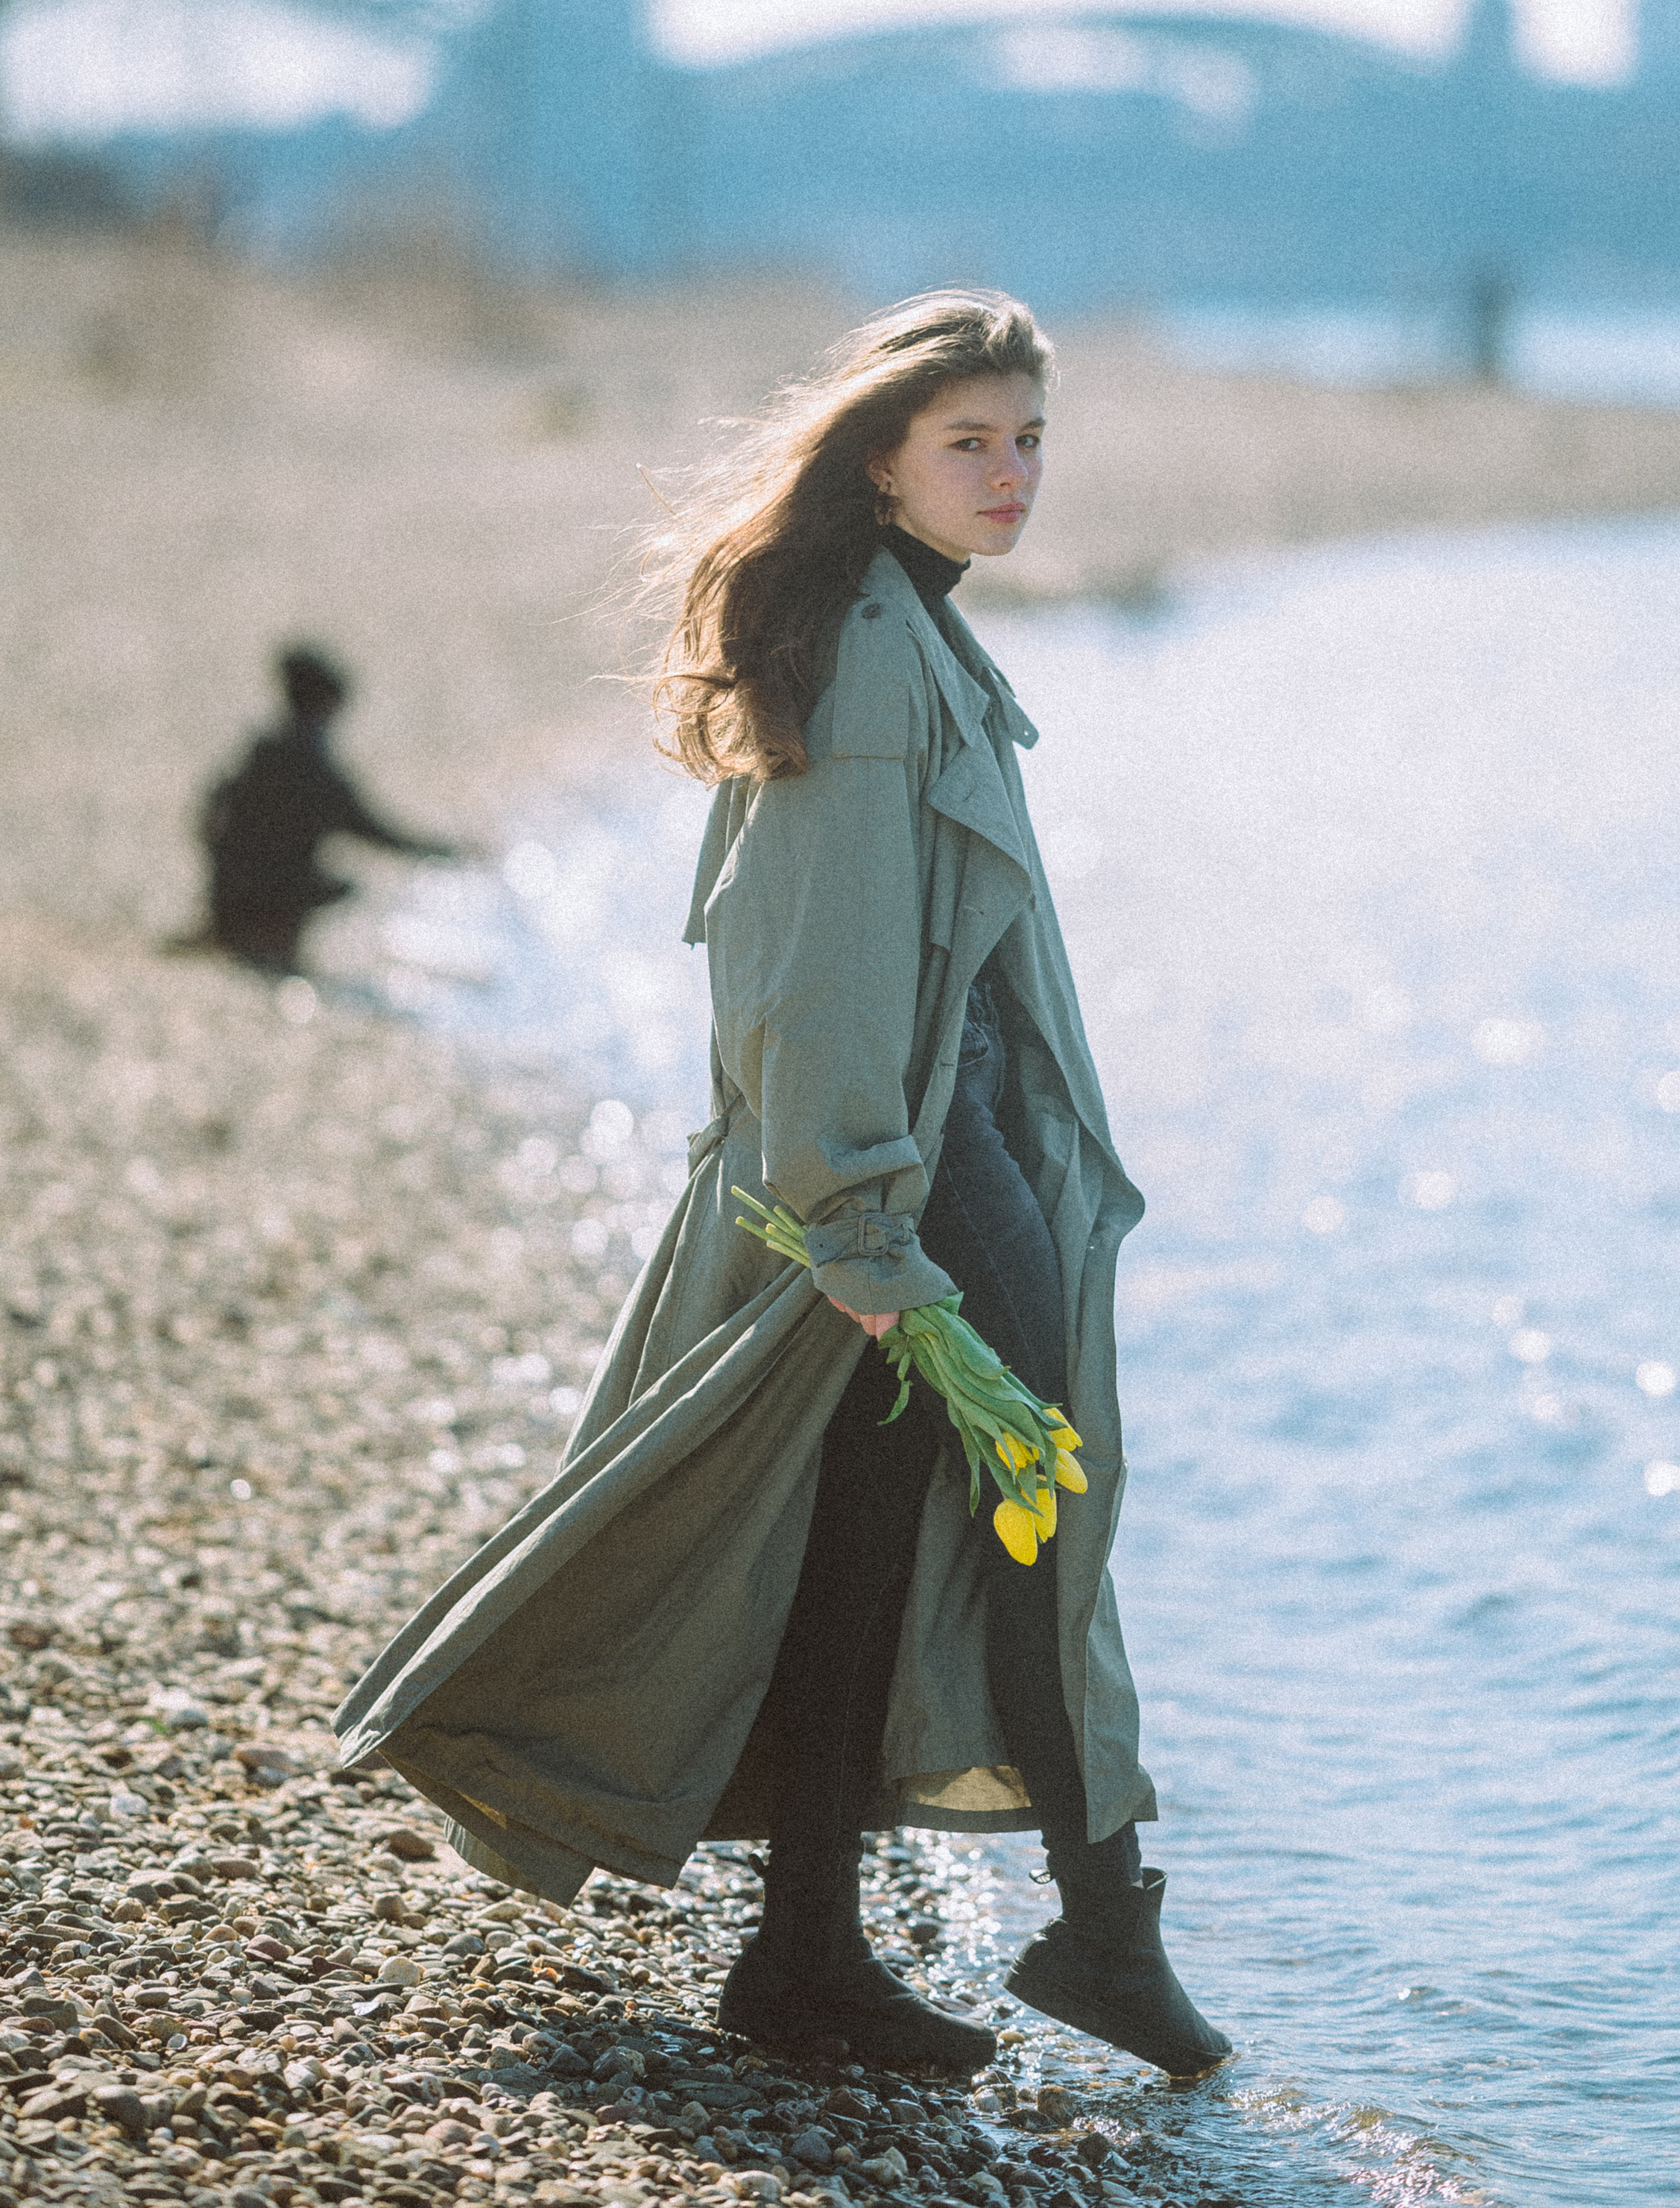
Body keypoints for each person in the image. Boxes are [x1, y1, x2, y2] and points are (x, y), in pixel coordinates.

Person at [334, 292, 1229, 2080]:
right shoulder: (871, 648)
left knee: (869, 1546)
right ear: (881, 452)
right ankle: (1096, 1928)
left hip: (923, 1141)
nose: (1009, 474)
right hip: (909, 1162)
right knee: (1034, 1518)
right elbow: (802, 958)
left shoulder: (899, 624)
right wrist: (857, 1218)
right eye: (968, 439)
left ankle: (814, 1947)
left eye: (1028, 438)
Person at [186, 643, 461, 972]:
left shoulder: (261, 752)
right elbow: (373, 830)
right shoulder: (315, 769)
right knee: (339, 887)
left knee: (311, 876)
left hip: (226, 894)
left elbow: (209, 817)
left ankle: (230, 930)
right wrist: (444, 853)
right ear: (328, 704)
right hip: (266, 899)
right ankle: (263, 940)